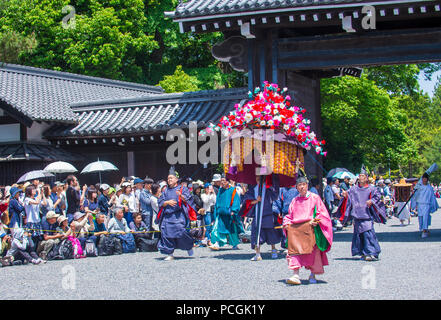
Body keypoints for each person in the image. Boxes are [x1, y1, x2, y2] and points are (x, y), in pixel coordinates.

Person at [283, 173, 333, 285]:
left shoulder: (315, 198)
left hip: (310, 230)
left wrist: (316, 221)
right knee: (294, 252)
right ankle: (295, 275)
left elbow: (323, 214)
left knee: (313, 253)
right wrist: (286, 223)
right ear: (296, 187)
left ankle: (312, 274)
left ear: (307, 185)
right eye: (299, 185)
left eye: (304, 184)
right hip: (296, 231)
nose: (301, 187)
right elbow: (289, 215)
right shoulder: (294, 201)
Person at [339, 165, 386, 261]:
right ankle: (363, 252)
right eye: (359, 176)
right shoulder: (354, 189)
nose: (361, 178)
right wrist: (345, 195)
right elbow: (348, 194)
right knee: (359, 235)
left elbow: (377, 196)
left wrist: (371, 201)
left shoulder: (371, 189)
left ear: (366, 178)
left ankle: (372, 252)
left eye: (363, 176)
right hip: (357, 215)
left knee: (368, 234)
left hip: (366, 215)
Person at [155, 167, 197, 261]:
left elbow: (188, 199)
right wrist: (167, 202)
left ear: (176, 179)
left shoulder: (182, 189)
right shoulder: (165, 191)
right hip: (167, 216)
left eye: (171, 178)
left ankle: (188, 246)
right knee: (165, 234)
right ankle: (169, 253)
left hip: (178, 215)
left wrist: (181, 196)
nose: (169, 180)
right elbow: (160, 201)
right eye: (168, 178)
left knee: (180, 232)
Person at [242, 175, 282, 261]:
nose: (258, 180)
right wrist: (256, 200)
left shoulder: (268, 189)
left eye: (260, 179)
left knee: (271, 232)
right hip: (257, 214)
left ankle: (273, 249)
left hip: (267, 213)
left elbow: (275, 196)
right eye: (256, 178)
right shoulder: (253, 189)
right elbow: (246, 201)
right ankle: (258, 253)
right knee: (257, 234)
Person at [208, 176, 241, 251]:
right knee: (216, 228)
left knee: (232, 229)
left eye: (224, 180)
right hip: (220, 213)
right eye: (221, 180)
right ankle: (216, 243)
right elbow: (217, 202)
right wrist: (216, 212)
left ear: (228, 181)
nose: (222, 182)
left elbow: (236, 201)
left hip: (229, 213)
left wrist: (234, 210)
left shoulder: (233, 190)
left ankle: (235, 244)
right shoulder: (220, 191)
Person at [414, 172, 439, 238]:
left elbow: (432, 197)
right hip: (420, 204)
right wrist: (415, 204)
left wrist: (433, 205)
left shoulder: (429, 188)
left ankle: (425, 230)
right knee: (420, 217)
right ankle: (422, 228)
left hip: (426, 204)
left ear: (427, 180)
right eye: (423, 179)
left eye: (425, 179)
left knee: (425, 217)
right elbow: (416, 196)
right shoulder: (419, 187)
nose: (424, 180)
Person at [23, 185, 46, 251]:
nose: (35, 190)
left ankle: (35, 253)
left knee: (37, 238)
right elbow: (37, 202)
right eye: (33, 189)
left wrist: (42, 193)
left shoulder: (36, 198)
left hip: (37, 221)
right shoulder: (27, 199)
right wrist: (39, 193)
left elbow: (44, 203)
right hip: (31, 221)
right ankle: (31, 253)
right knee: (31, 238)